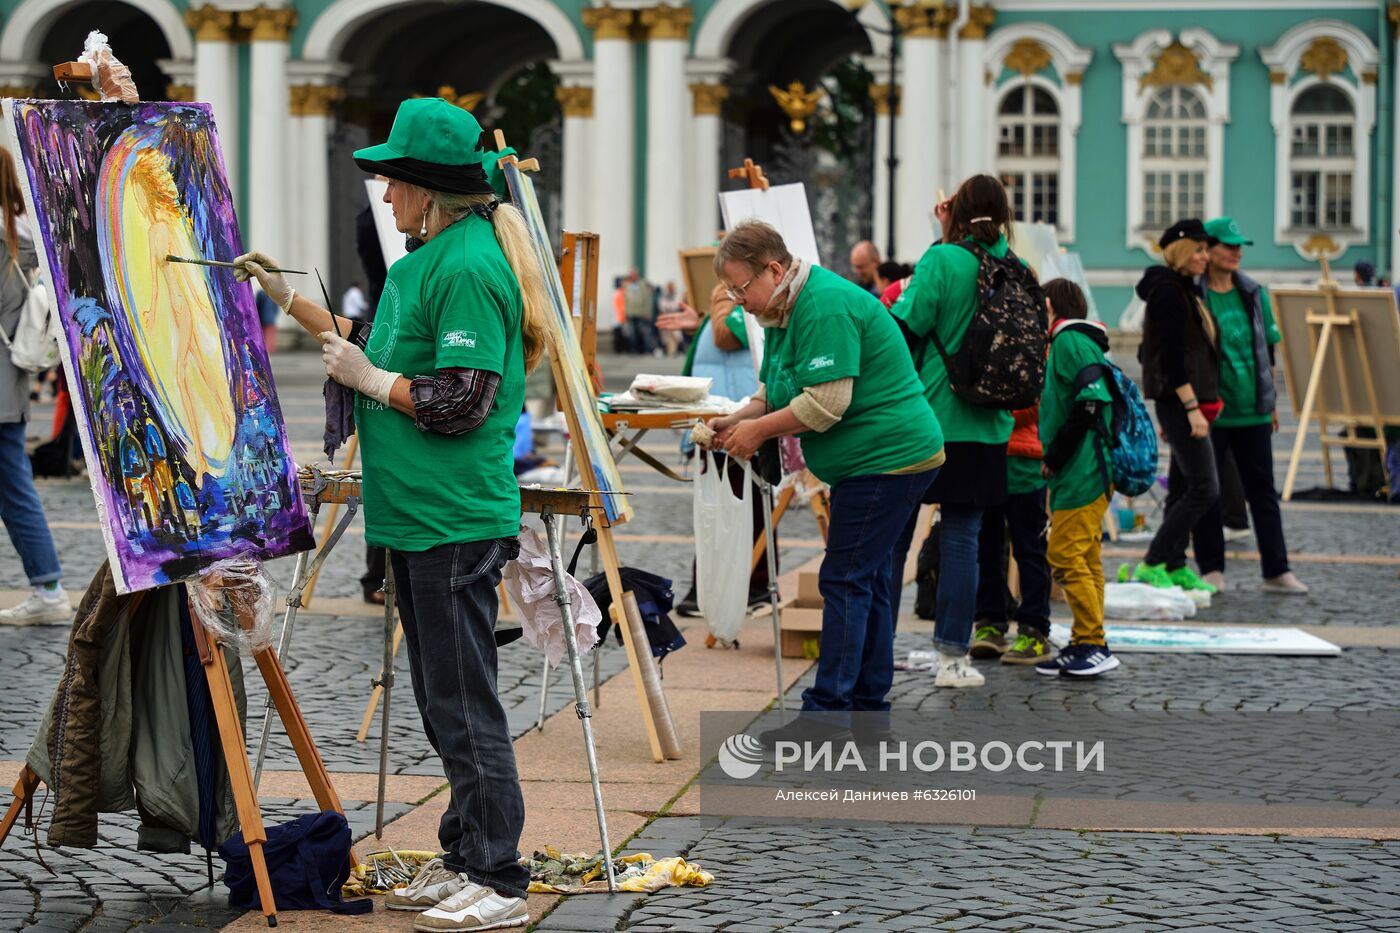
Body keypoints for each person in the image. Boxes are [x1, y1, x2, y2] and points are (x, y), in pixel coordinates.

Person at [235, 98, 547, 931]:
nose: (383, 192)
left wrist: (372, 383)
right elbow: (370, 338)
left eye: (392, 180)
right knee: (442, 696)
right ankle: (464, 852)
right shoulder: (427, 258)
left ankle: (500, 873)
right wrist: (286, 296)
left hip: (453, 512)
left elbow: (464, 401)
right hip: (416, 514)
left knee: (465, 699)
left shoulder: (470, 264)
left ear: (428, 190)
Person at [709, 221, 943, 742]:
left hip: (889, 457)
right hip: (879, 459)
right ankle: (864, 713)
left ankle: (827, 714)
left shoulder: (824, 305)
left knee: (844, 579)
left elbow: (824, 403)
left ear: (774, 268)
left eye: (741, 288)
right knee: (870, 579)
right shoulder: (779, 310)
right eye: (731, 292)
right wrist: (736, 418)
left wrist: (756, 433)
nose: (738, 301)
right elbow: (775, 390)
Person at [889, 175, 1019, 689]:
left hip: (931, 416)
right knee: (964, 537)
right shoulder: (1014, 266)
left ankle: (877, 648)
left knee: (896, 534)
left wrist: (942, 237)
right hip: (989, 425)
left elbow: (903, 327)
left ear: (955, 214)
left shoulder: (942, 260)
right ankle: (952, 659)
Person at [1192, 217, 1308, 594]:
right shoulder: (1195, 295)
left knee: (1263, 492)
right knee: (1209, 491)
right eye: (1229, 246)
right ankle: (1211, 569)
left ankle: (1277, 569)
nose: (1237, 252)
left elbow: (1266, 350)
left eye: (1240, 246)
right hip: (1213, 411)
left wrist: (1270, 401)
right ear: (1207, 251)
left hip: (1253, 409)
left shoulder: (1254, 292)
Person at [656, 281, 774, 616]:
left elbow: (725, 335)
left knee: (739, 509)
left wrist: (718, 301)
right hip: (724, 417)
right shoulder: (738, 304)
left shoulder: (735, 300)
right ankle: (718, 587)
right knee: (720, 511)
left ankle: (749, 586)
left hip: (735, 417)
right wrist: (708, 316)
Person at [1126, 219, 1221, 594]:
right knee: (1204, 488)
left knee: (1183, 488)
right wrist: (1191, 407)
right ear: (1181, 251)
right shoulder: (1168, 292)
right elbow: (1171, 358)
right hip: (1181, 402)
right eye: (1198, 250)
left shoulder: (1182, 289)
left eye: (1205, 249)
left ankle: (1175, 562)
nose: (1205, 256)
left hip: (1182, 402)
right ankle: (1153, 562)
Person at [1033, 280, 1119, 677]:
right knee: (1086, 557)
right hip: (1083, 470)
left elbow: (1089, 404)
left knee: (1064, 554)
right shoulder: (1075, 341)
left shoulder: (1068, 341)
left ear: (1048, 305)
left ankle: (1093, 643)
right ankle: (1087, 639)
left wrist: (1054, 456)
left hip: (1083, 470)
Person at [0, 146, 71, 626]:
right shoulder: (23, 236)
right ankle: (47, 587)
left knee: (15, 488)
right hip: (9, 381)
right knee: (14, 487)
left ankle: (49, 588)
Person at [969, 399, 1053, 666]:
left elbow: (1035, 404)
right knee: (986, 550)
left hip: (1023, 464)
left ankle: (1034, 629)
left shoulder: (1036, 355)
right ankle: (990, 622)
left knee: (1029, 550)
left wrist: (992, 411)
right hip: (985, 460)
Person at [622, 268, 655, 354]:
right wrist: (625, 313)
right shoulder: (627, 285)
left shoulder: (642, 284)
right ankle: (633, 349)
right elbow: (625, 300)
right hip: (630, 313)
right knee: (632, 333)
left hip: (641, 314)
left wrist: (647, 313)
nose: (632, 277)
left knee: (643, 332)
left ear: (637, 275)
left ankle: (645, 350)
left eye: (633, 275)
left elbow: (647, 300)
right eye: (630, 275)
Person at [656, 281, 683, 356]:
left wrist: (671, 307)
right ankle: (670, 350)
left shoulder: (677, 296)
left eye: (672, 287)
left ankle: (674, 350)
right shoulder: (664, 296)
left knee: (676, 334)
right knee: (667, 335)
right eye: (669, 287)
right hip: (666, 316)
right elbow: (662, 305)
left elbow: (678, 305)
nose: (670, 289)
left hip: (675, 316)